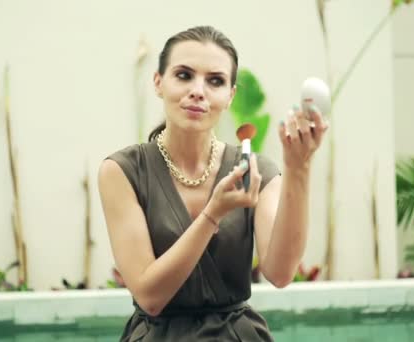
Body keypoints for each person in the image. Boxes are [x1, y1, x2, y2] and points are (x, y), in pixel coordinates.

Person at [98, 25, 328, 342]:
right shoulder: (122, 171)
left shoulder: (257, 170)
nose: (198, 90)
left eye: (215, 81)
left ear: (230, 95)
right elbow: (150, 297)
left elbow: (280, 272)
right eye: (183, 75)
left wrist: (298, 167)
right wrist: (213, 214)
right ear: (158, 82)